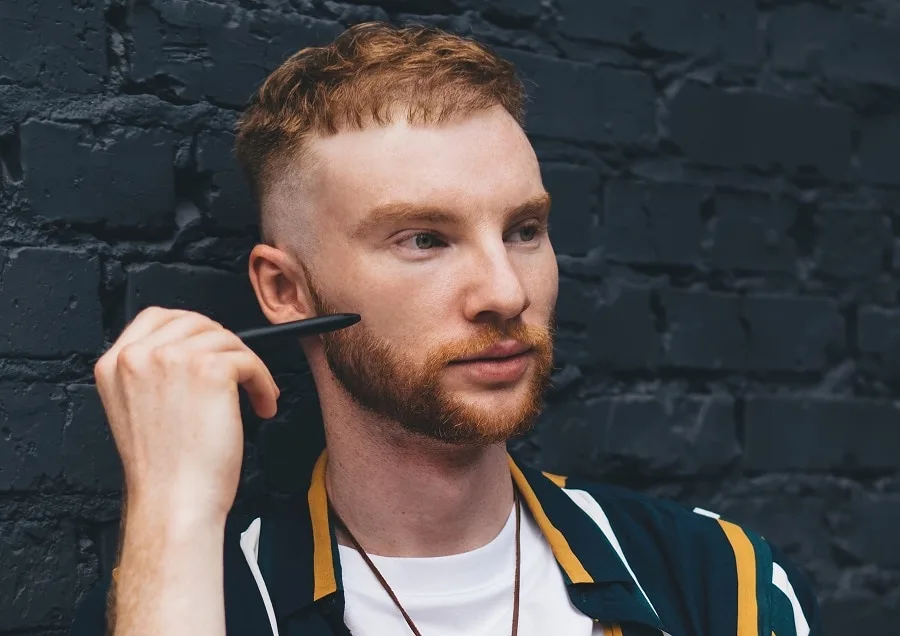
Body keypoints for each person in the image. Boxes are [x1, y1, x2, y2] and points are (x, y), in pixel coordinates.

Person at [71, 21, 821, 636]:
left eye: (524, 230)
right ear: (287, 290)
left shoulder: (716, 581)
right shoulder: (207, 599)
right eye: (425, 239)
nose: (504, 292)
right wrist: (172, 507)